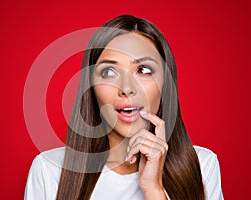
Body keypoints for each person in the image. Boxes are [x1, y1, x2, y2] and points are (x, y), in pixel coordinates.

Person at [24, 14, 223, 200]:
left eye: (143, 70)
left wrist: (153, 189)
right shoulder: (48, 169)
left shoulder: (202, 165)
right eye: (109, 72)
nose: (127, 89)